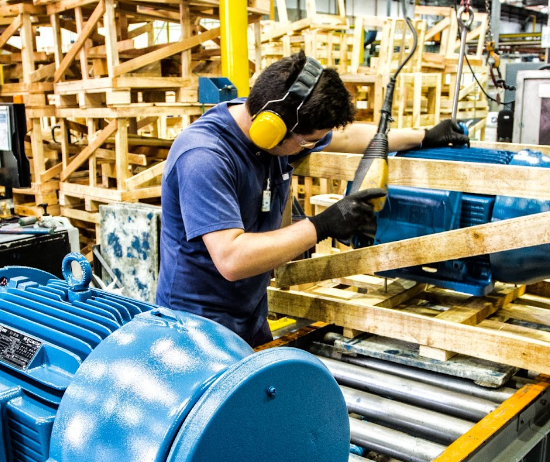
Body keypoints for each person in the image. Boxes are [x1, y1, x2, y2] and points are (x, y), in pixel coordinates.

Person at [156, 51, 469, 346]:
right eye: (309, 142)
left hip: (248, 313)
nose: (312, 147)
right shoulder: (204, 157)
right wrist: (323, 225)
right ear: (272, 128)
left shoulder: (270, 123)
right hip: (195, 326)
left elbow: (346, 137)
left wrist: (424, 135)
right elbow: (232, 258)